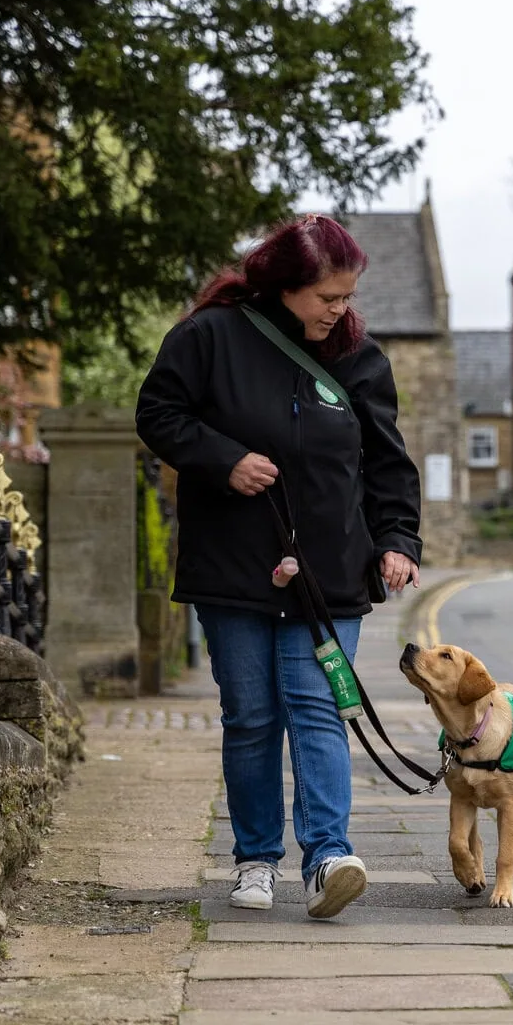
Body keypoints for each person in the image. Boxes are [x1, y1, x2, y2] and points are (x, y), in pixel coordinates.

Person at [136, 215, 422, 919]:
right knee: (253, 716)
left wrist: (397, 541)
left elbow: (388, 461)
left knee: (317, 705)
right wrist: (223, 459)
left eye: (348, 297)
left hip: (330, 572)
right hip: (233, 565)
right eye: (328, 297)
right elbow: (158, 413)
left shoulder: (360, 357)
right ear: (285, 286)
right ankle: (256, 859)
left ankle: (327, 857)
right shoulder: (208, 337)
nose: (340, 310)